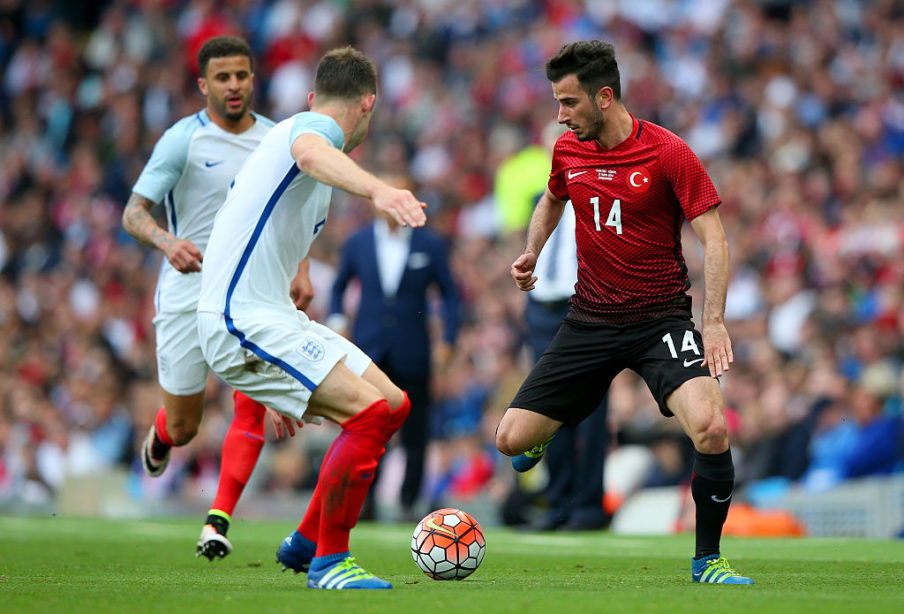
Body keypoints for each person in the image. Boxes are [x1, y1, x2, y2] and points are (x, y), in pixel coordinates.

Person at [495, 41, 754, 584]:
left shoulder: (668, 152)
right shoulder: (568, 150)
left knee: (710, 428)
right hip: (589, 320)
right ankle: (549, 426)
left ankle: (708, 558)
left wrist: (712, 323)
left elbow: (717, 239)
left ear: (604, 97)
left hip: (661, 321)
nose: (560, 115)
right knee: (510, 440)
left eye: (568, 102)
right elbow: (552, 199)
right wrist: (531, 251)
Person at [196, 46, 426, 590]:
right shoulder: (310, 131)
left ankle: (304, 542)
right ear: (368, 104)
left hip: (269, 314)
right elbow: (308, 153)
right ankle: (330, 562)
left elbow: (258, 209)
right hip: (243, 319)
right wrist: (379, 190)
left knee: (393, 406)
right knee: (367, 414)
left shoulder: (296, 143)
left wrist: (297, 275)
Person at [122, 35, 307, 561]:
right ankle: (161, 434)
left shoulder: (277, 139)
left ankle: (217, 521)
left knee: (250, 400)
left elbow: (297, 209)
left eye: (242, 76)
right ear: (203, 85)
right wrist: (166, 241)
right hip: (188, 284)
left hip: (251, 288)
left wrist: (302, 267)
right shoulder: (183, 140)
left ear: (254, 79)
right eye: (222, 78)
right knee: (185, 427)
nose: (233, 86)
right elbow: (134, 212)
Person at [327, 174, 459, 522]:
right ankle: (364, 501)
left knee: (416, 431)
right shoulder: (357, 242)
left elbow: (450, 294)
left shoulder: (429, 243)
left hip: (413, 350)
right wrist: (339, 325)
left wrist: (447, 340)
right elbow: (338, 288)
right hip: (369, 351)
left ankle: (408, 502)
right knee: (368, 426)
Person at [511, 122, 609, 532]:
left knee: (592, 411)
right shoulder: (542, 198)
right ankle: (560, 502)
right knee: (548, 408)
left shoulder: (601, 197)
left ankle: (588, 505)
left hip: (584, 306)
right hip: (542, 311)